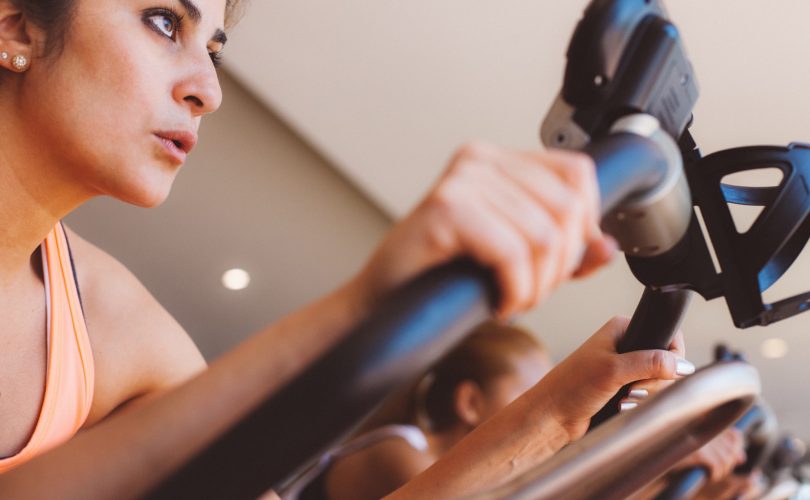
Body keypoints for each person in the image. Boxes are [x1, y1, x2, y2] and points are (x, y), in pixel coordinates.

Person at [0, 0, 696, 498]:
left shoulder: (119, 327)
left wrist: (558, 417)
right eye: (164, 22)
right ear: (16, 22)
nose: (208, 90)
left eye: (211, 50)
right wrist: (367, 299)